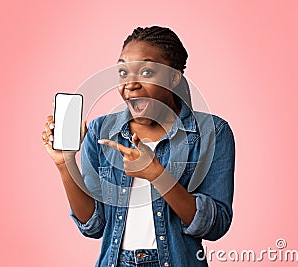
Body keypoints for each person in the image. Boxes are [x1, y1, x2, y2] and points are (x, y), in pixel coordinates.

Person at [42, 26, 235, 267]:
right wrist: (65, 163)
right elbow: (93, 225)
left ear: (173, 76)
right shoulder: (101, 131)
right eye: (123, 71)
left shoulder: (212, 132)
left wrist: (156, 173)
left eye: (146, 71)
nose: (131, 84)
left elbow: (215, 226)